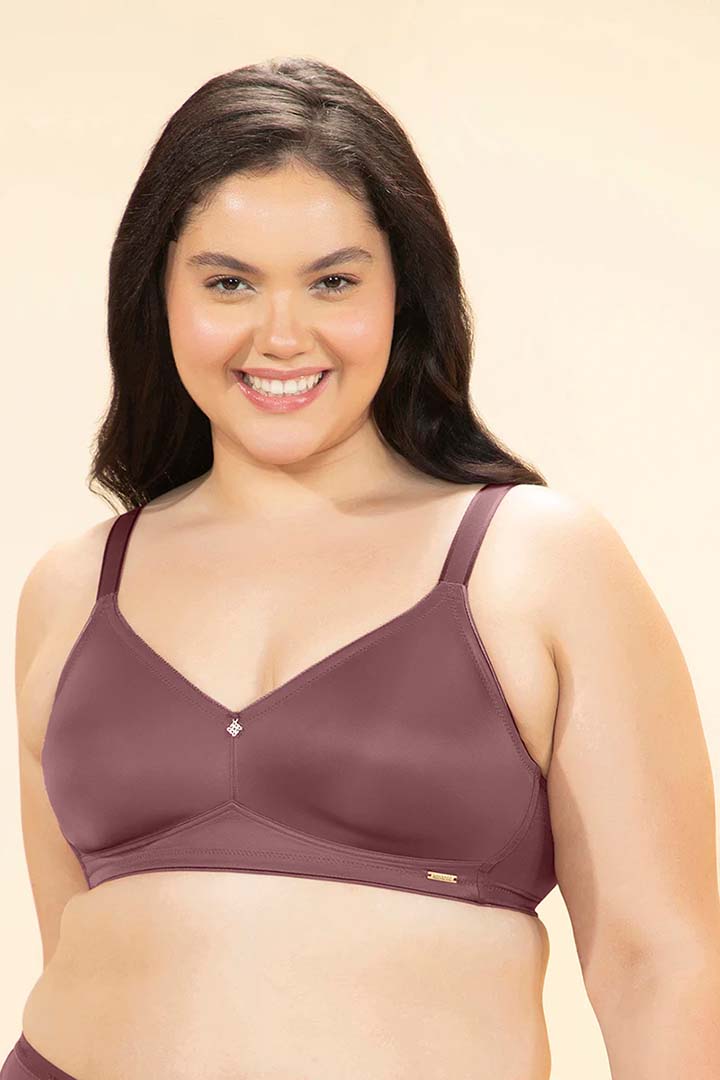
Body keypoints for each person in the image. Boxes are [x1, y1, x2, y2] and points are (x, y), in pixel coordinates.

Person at [4, 56, 719, 1080]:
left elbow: (661, 964)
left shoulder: (534, 561)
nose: (281, 335)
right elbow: (78, 941)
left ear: (402, 294)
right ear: (157, 295)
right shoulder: (73, 591)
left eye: (333, 281)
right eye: (228, 282)